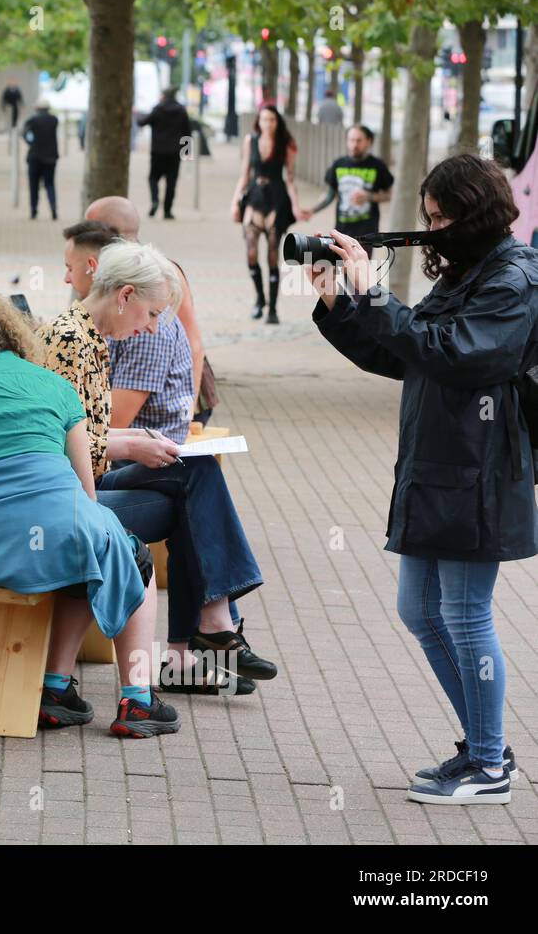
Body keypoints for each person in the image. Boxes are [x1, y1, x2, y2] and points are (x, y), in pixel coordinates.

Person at [308, 153, 535, 805]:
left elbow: (456, 354)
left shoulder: (515, 278)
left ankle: (489, 764)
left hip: (478, 469)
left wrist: (374, 293)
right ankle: (485, 744)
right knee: (418, 609)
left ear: (476, 211)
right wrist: (341, 301)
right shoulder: (469, 271)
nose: (434, 230)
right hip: (437, 465)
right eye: (428, 218)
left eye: (442, 218)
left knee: (465, 613)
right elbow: (401, 351)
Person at [0, 289, 181, 737]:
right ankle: (136, 699)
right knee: (123, 556)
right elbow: (85, 489)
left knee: (82, 551)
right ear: (18, 334)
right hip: (62, 523)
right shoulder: (57, 386)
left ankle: (57, 688)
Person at [42, 238, 276, 695]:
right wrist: (132, 446)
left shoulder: (90, 336)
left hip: (82, 487)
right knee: (194, 491)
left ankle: (204, 634)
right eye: (151, 314)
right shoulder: (71, 340)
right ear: (125, 295)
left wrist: (138, 440)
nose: (152, 328)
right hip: (67, 498)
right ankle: (205, 633)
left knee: (196, 479)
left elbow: (84, 431)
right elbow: (52, 443)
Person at [85, 196, 210, 425]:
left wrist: (190, 408)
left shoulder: (157, 276)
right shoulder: (126, 274)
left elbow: (194, 344)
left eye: (90, 231)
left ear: (111, 235)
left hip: (179, 394)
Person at [231, 104, 307, 324]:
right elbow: (244, 173)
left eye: (272, 120)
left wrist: (295, 206)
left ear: (277, 122)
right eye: (264, 119)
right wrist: (235, 202)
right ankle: (259, 299)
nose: (268, 123)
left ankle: (272, 309)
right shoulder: (250, 141)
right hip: (254, 197)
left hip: (277, 198)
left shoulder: (287, 144)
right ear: (259, 121)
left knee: (273, 255)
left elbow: (290, 179)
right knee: (251, 253)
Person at [308, 124, 394, 255]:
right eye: (351, 140)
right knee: (342, 268)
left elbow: (389, 195)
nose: (354, 144)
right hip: (341, 229)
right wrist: (311, 210)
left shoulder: (378, 166)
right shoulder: (338, 164)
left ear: (369, 142)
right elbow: (329, 196)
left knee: (359, 270)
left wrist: (369, 197)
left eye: (359, 140)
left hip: (367, 231)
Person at [138, 87, 192, 220]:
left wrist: (137, 115)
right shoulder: (181, 110)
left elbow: (142, 122)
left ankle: (155, 200)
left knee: (153, 178)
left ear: (164, 96)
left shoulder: (158, 109)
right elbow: (187, 132)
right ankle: (167, 211)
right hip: (174, 153)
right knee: (171, 182)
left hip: (158, 151)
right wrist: (187, 153)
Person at [22, 98, 59, 221]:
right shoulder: (54, 120)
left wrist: (30, 142)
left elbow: (24, 133)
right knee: (50, 184)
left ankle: (33, 210)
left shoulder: (33, 120)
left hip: (35, 156)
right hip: (50, 157)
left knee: (33, 185)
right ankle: (53, 208)